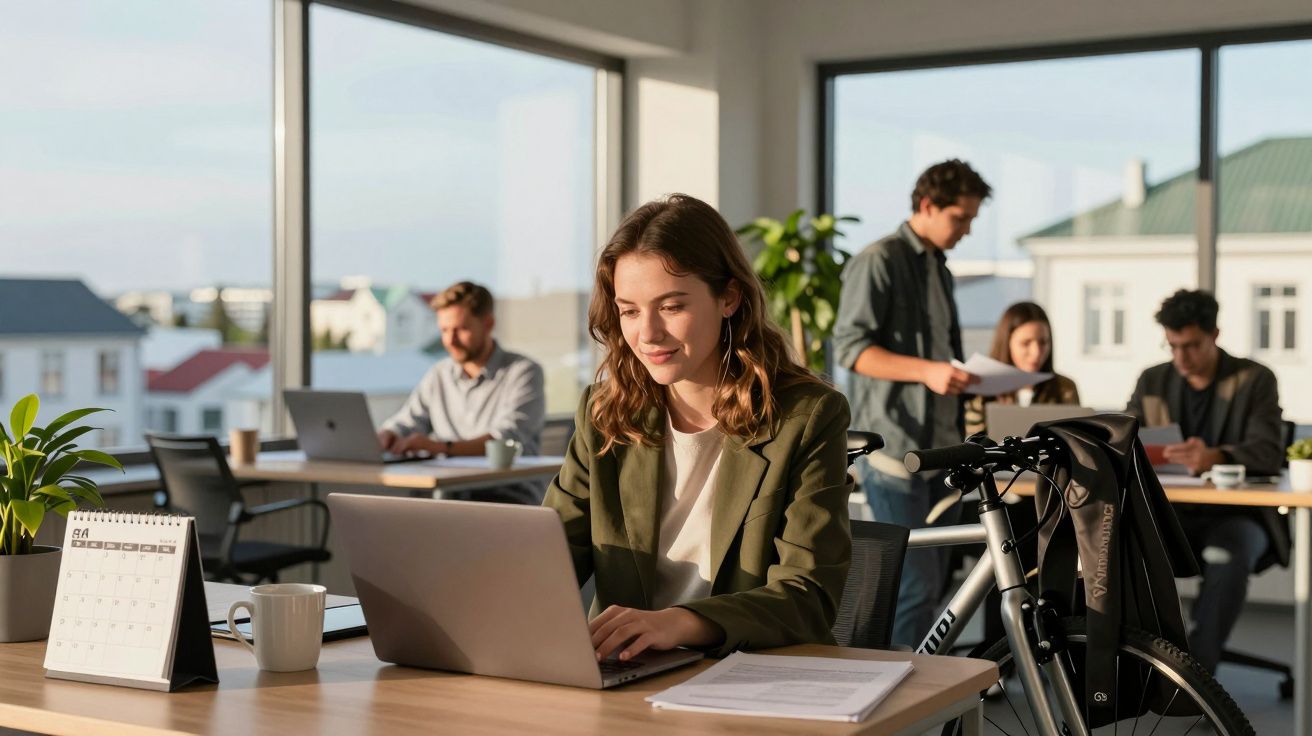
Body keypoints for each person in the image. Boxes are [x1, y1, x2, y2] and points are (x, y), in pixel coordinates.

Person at [544, 193, 852, 662]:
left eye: (670, 307)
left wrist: (680, 622)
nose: (647, 334)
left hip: (754, 674)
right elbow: (546, 559)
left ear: (728, 297)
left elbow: (808, 596)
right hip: (627, 673)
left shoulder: (806, 417)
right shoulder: (605, 414)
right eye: (629, 310)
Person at [833, 158, 990, 648]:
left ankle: (906, 687)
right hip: (895, 454)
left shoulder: (938, 269)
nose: (966, 230)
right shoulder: (879, 261)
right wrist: (928, 370)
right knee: (913, 584)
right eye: (959, 218)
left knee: (931, 583)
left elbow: (940, 356)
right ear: (927, 205)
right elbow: (850, 350)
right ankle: (898, 699)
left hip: (940, 451)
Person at [1126, 288, 1288, 673]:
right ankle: (1137, 661)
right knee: (1120, 545)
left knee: (1229, 555)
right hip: (1171, 512)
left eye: (1192, 345)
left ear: (1215, 334)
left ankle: (1197, 674)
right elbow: (1123, 439)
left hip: (1237, 514)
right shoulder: (1153, 381)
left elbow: (1268, 451)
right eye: (1173, 346)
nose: (1181, 357)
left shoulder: (1254, 379)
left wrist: (1215, 457)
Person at [377, 281, 546, 504]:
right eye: (444, 330)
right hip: (448, 495)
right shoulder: (439, 374)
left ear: (488, 324)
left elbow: (505, 439)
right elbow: (408, 421)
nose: (450, 340)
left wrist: (437, 448)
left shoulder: (523, 372)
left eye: (461, 329)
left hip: (507, 496)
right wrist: (389, 434)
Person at [964, 301, 1081, 437]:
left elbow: (1074, 443)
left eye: (1043, 342)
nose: (1036, 352)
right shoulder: (981, 388)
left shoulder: (1065, 388)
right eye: (1026, 343)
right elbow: (972, 443)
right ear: (1007, 343)